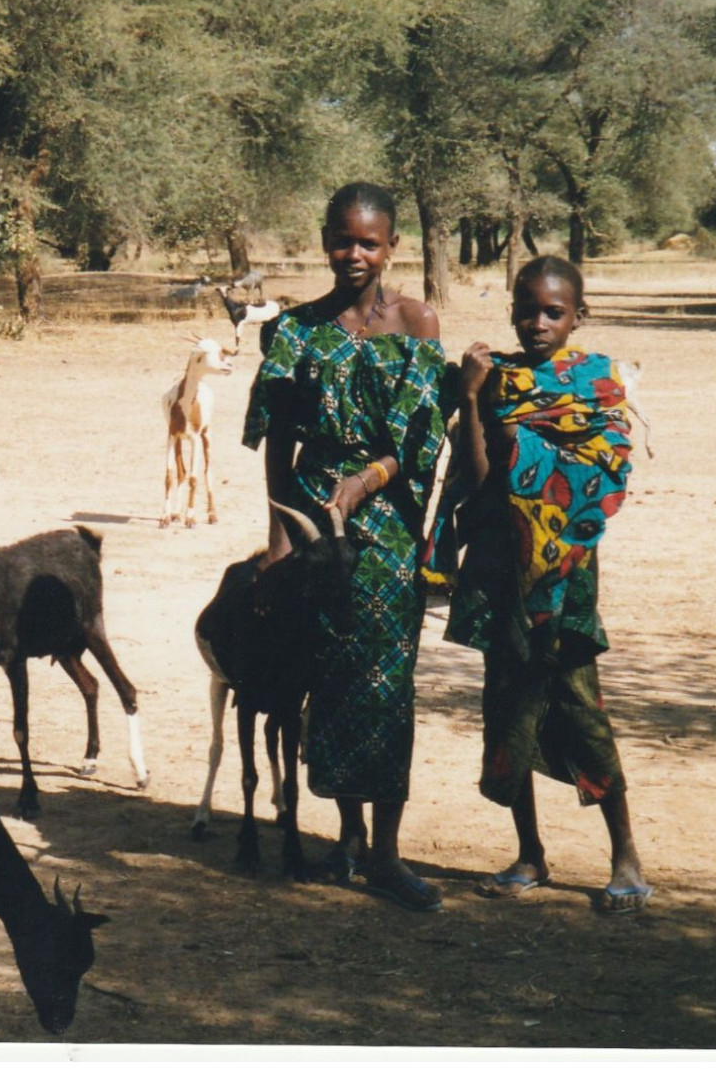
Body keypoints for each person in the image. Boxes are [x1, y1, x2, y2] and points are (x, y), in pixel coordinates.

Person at [241, 182, 447, 912]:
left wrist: (366, 480)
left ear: (392, 247)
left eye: (368, 242)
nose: (353, 255)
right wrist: (274, 542)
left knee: (385, 685)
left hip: (385, 527)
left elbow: (422, 439)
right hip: (311, 531)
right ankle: (346, 837)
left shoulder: (417, 323)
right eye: (341, 239)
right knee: (325, 678)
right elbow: (278, 439)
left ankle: (387, 852)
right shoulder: (295, 331)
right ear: (324, 237)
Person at [432, 255, 651, 915]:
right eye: (525, 309)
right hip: (502, 572)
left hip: (564, 577)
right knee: (507, 714)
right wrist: (472, 400)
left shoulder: (597, 382)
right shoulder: (490, 379)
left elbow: (599, 474)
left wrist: (516, 443)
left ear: (577, 316)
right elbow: (472, 477)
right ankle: (528, 852)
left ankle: (625, 856)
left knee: (582, 712)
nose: (536, 321)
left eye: (552, 311)